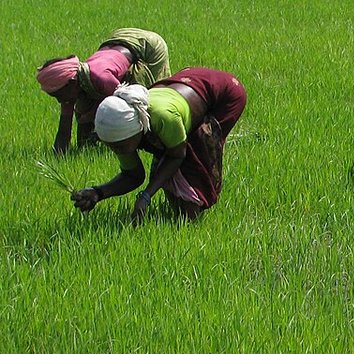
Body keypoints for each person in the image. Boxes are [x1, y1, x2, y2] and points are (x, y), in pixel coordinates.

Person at [70, 68, 247, 224]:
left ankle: (192, 220)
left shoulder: (161, 118)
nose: (118, 151)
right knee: (165, 160)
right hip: (183, 87)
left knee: (196, 157)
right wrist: (98, 193)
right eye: (112, 146)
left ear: (138, 131)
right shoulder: (121, 132)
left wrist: (146, 196)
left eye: (120, 146)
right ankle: (180, 214)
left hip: (224, 94)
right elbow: (133, 176)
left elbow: (177, 155)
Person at [36, 28, 172, 154]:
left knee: (143, 96)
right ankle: (86, 148)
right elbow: (64, 129)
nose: (60, 100)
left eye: (58, 95)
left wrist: (100, 133)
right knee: (84, 107)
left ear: (71, 83)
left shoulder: (101, 78)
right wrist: (61, 155)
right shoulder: (73, 84)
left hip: (148, 45)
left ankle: (157, 143)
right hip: (118, 39)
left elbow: (130, 107)